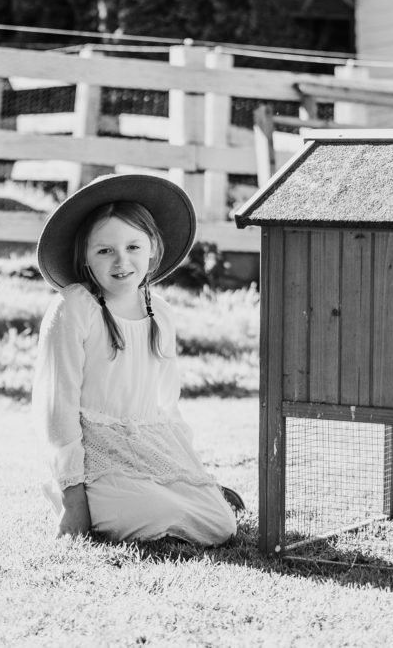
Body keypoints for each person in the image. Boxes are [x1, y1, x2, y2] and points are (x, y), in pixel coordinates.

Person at [32, 174, 243, 545]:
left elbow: (167, 406)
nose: (121, 261)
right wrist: (73, 498)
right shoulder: (75, 307)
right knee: (145, 511)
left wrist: (188, 466)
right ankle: (104, 500)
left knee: (222, 524)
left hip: (148, 443)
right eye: (105, 251)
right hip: (94, 450)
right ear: (85, 256)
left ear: (153, 248)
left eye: (133, 247)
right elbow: (58, 406)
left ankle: (192, 494)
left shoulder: (159, 313)